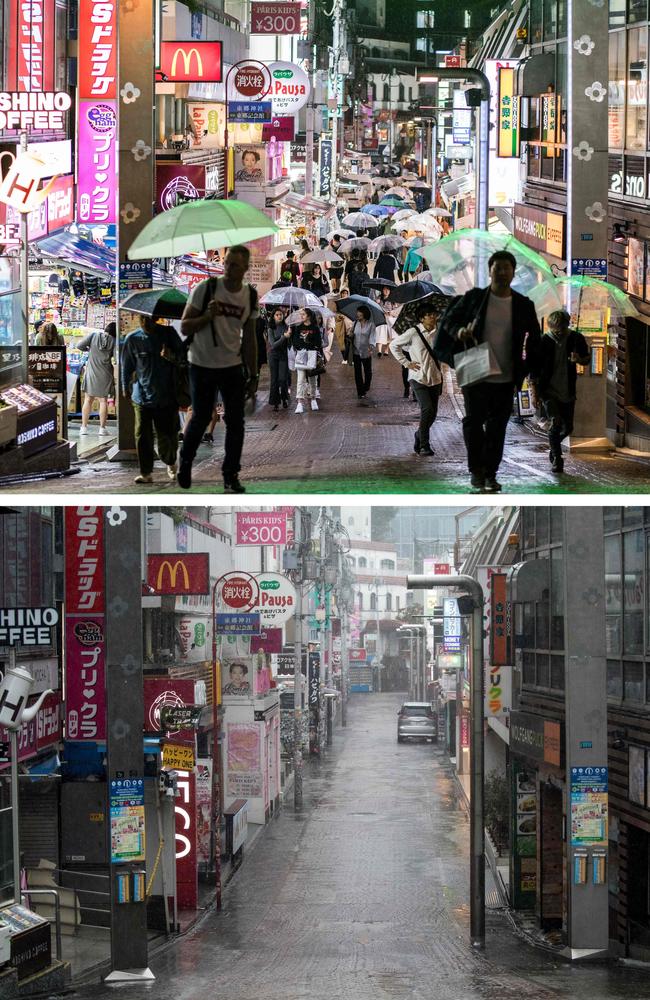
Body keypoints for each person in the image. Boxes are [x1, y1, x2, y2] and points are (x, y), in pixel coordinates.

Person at [434, 249, 542, 494]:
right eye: (497, 267)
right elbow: (448, 321)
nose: (502, 272)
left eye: (507, 267)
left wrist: (527, 371)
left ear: (513, 272)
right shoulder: (474, 299)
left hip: (506, 376)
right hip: (476, 370)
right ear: (490, 270)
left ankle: (491, 473)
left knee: (497, 427)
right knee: (473, 422)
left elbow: (533, 341)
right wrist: (460, 332)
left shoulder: (524, 305)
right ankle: (476, 472)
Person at [177, 245, 259, 493]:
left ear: (245, 268)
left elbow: (250, 339)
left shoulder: (249, 296)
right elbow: (185, 327)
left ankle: (230, 475)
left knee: (236, 422)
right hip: (201, 363)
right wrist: (206, 317)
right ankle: (186, 460)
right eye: (227, 264)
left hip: (231, 366)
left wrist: (253, 374)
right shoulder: (206, 289)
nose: (229, 269)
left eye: (235, 265)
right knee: (201, 416)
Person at [121, 315, 182, 484]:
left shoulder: (168, 334)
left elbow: (184, 357)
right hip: (141, 397)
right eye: (143, 318)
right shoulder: (132, 339)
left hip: (166, 396)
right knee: (142, 435)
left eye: (149, 319)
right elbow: (126, 365)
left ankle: (170, 460)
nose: (145, 322)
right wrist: (124, 386)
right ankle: (146, 472)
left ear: (155, 318)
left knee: (167, 434)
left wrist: (171, 356)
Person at [530, 309, 590, 474]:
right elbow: (534, 369)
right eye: (556, 329)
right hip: (548, 390)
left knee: (568, 428)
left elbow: (587, 359)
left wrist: (579, 359)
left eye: (562, 328)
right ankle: (557, 459)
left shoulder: (576, 339)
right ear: (550, 327)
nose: (559, 332)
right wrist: (535, 392)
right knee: (555, 422)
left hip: (568, 389)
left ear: (566, 325)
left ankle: (553, 446)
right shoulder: (543, 342)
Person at [391, 303, 442, 456]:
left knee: (433, 413)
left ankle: (419, 434)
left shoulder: (438, 332)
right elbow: (394, 345)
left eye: (434, 314)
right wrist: (406, 363)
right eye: (429, 315)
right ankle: (424, 445)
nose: (433, 317)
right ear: (421, 318)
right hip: (418, 377)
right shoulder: (413, 332)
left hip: (435, 377)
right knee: (427, 409)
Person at [77, 321, 116, 437]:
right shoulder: (114, 341)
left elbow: (79, 346)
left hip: (92, 372)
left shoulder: (93, 335)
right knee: (103, 401)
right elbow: (117, 358)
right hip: (105, 373)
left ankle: (83, 428)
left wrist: (90, 349)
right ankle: (102, 429)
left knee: (88, 399)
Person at [291, 308, 322, 413]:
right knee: (300, 380)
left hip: (312, 355)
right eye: (301, 314)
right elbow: (295, 342)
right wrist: (301, 346)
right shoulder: (298, 327)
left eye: (303, 314)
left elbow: (318, 343)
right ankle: (299, 402)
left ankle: (313, 399)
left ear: (308, 316)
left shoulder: (315, 328)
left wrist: (319, 356)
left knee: (313, 379)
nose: (301, 316)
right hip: (301, 355)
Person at [266, 308, 291, 412]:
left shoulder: (286, 327)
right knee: (274, 379)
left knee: (283, 379)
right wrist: (283, 337)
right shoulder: (270, 328)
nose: (279, 316)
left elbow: (289, 344)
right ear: (273, 316)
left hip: (283, 355)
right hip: (273, 355)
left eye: (281, 314)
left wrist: (289, 336)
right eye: (277, 315)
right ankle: (275, 402)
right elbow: (273, 345)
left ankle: (285, 399)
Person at [350, 305, 376, 400]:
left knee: (368, 372)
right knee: (357, 372)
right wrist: (350, 333)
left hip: (366, 351)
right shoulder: (354, 323)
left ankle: (366, 386)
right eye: (357, 312)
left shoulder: (371, 324)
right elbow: (351, 335)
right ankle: (360, 392)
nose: (357, 314)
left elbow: (373, 337)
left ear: (364, 313)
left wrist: (371, 347)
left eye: (359, 312)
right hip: (356, 350)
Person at [333, 290, 353, 363]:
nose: (345, 294)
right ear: (341, 294)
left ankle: (347, 358)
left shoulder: (350, 302)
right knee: (341, 342)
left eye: (346, 293)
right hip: (340, 324)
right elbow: (335, 314)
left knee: (349, 341)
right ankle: (344, 358)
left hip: (348, 324)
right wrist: (339, 316)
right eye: (343, 293)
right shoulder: (338, 302)